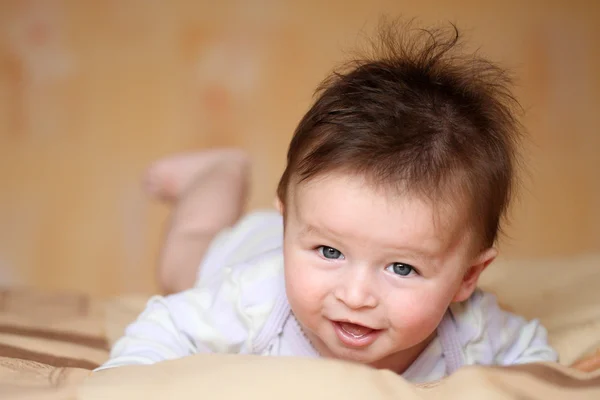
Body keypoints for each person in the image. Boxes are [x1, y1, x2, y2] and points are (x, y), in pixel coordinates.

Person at [96, 21, 558, 383]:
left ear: (468, 276)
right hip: (243, 251)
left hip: (302, 231)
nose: (355, 296)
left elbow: (533, 359)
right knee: (184, 261)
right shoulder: (252, 300)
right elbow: (164, 327)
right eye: (330, 253)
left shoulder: (472, 329)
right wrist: (122, 381)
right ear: (289, 227)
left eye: (401, 268)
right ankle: (217, 176)